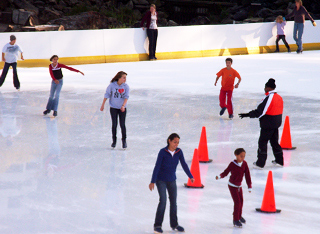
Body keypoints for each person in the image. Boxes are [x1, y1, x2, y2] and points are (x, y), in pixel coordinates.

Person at [149, 133, 194, 234]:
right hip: (160, 180)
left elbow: (184, 164)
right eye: (174, 142)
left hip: (172, 180)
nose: (176, 144)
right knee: (163, 201)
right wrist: (152, 181)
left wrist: (190, 176)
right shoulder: (163, 152)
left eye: (177, 142)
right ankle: (157, 225)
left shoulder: (179, 152)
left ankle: (174, 224)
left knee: (174, 203)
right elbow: (157, 166)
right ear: (169, 140)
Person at [239, 78, 284, 169]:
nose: (264, 89)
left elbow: (261, 111)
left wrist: (247, 115)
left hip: (268, 124)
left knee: (262, 143)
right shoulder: (278, 97)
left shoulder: (270, 97)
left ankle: (260, 163)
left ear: (268, 88)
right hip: (276, 123)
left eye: (265, 87)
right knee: (274, 142)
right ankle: (279, 160)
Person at [215, 148, 252, 228]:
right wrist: (219, 176)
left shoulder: (244, 164)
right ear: (236, 155)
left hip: (239, 186)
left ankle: (239, 215)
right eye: (241, 156)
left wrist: (249, 185)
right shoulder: (232, 164)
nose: (242, 158)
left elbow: (247, 175)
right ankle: (235, 219)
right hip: (232, 185)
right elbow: (226, 172)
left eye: (244, 156)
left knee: (241, 201)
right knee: (237, 202)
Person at [100, 71, 129, 149]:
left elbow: (126, 97)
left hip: (122, 108)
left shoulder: (126, 86)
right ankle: (114, 141)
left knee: (122, 125)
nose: (125, 79)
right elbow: (107, 95)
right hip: (113, 108)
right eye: (124, 77)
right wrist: (103, 104)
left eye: (125, 78)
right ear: (119, 78)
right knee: (114, 124)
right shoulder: (112, 86)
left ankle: (124, 141)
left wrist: (123, 106)